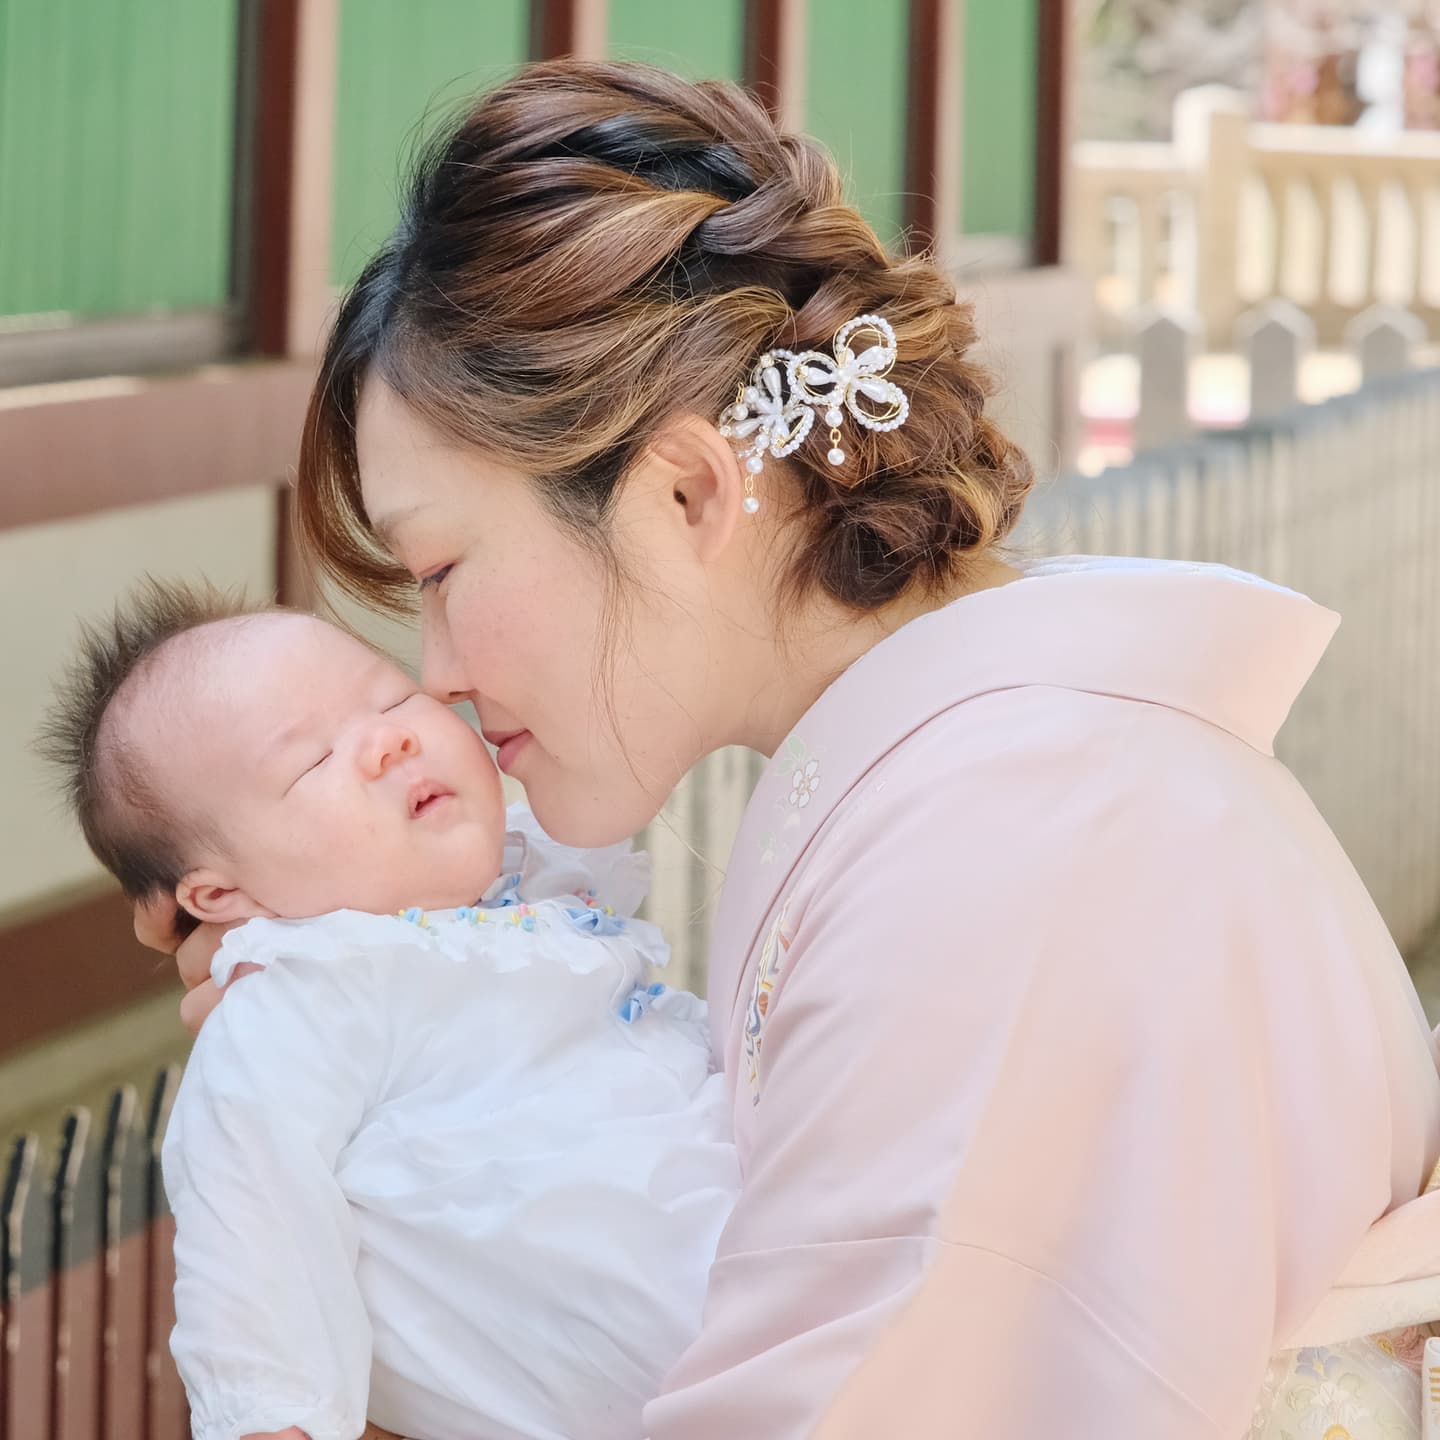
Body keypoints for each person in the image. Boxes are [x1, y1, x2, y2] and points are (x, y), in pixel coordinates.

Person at [138, 60, 1440, 1437]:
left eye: (443, 568)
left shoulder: (995, 853)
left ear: (690, 491)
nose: (439, 678)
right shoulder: (989, 788)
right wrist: (397, 1033)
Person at [46, 584, 736, 1440]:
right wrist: (275, 1421)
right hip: (665, 1376)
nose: (390, 739)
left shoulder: (531, 886)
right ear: (220, 891)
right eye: (309, 761)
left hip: (784, 1290)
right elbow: (251, 1228)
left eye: (392, 696)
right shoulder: (300, 997)